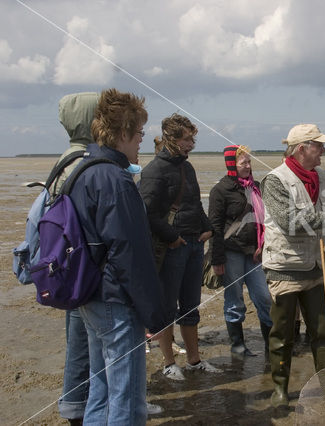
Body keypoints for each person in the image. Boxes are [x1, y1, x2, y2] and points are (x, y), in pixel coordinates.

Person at [70, 88, 170, 424]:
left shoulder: (83, 170)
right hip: (116, 303)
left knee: (100, 393)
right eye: (140, 132)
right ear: (123, 133)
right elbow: (130, 255)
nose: (142, 140)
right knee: (127, 402)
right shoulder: (114, 179)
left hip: (92, 299)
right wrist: (156, 316)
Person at [261, 123, 325, 408]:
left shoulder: (320, 175)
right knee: (282, 333)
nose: (323, 151)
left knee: (323, 331)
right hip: (283, 267)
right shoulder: (274, 180)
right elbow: (291, 223)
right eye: (318, 145)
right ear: (302, 149)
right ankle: (280, 390)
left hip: (315, 264)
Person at [139, 113, 218, 380]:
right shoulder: (154, 170)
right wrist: (172, 236)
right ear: (171, 139)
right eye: (187, 139)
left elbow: (194, 203)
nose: (191, 144)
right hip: (172, 247)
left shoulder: (188, 167)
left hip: (194, 243)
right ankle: (169, 364)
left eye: (193, 138)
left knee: (190, 306)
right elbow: (147, 213)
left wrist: (207, 227)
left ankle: (194, 361)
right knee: (166, 308)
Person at [54, 92, 98, 425]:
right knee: (85, 344)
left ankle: (77, 406)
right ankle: (78, 409)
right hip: (86, 270)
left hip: (72, 268)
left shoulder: (65, 159)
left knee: (79, 339)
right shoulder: (83, 162)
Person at [208, 144, 272, 358]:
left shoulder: (255, 187)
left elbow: (263, 221)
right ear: (231, 165)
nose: (248, 165)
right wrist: (217, 259)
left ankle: (271, 344)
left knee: (264, 296)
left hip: (255, 253)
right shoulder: (221, 190)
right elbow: (214, 227)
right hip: (231, 252)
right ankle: (237, 344)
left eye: (249, 161)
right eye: (243, 162)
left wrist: (262, 246)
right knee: (234, 298)